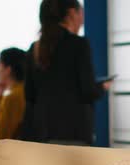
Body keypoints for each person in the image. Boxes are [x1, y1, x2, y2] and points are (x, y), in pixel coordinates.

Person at [20, 0, 111, 146]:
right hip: (73, 134)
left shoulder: (35, 48)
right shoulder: (78, 45)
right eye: (81, 12)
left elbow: (29, 95)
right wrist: (102, 87)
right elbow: (88, 91)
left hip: (41, 136)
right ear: (71, 14)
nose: (82, 18)